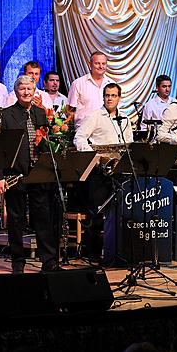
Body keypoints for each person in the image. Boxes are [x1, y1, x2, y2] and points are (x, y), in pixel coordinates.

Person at [0, 75, 59, 274]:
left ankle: (48, 261)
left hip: (39, 175)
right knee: (16, 220)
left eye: (30, 88)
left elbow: (47, 144)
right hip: (15, 174)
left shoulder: (40, 113)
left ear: (35, 90)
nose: (26, 92)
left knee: (43, 218)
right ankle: (18, 262)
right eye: (22, 89)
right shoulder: (6, 115)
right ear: (16, 92)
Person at [74, 82, 134, 263]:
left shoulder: (125, 119)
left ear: (119, 98)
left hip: (118, 171)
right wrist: (93, 156)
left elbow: (129, 141)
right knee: (97, 213)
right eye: (107, 95)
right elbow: (79, 138)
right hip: (99, 171)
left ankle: (115, 252)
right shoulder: (95, 116)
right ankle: (92, 253)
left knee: (119, 213)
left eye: (113, 96)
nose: (109, 99)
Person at [68, 51, 114, 126]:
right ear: (90, 65)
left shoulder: (112, 84)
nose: (101, 66)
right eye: (97, 63)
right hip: (84, 130)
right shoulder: (78, 83)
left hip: (107, 129)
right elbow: (69, 110)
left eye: (103, 64)